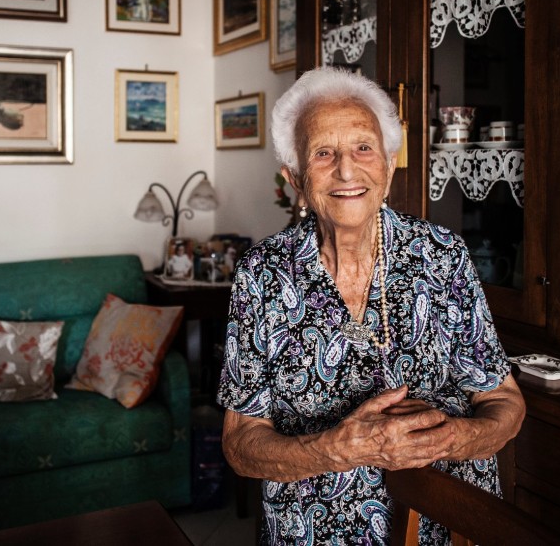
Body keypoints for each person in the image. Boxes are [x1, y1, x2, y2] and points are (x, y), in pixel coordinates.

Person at [217, 67, 525, 545]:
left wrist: (454, 439)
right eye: (323, 153)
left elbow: (505, 403)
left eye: (363, 147)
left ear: (390, 162)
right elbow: (240, 444)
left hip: (441, 525)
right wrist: (337, 449)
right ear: (295, 177)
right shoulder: (263, 273)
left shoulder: (441, 255)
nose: (346, 169)